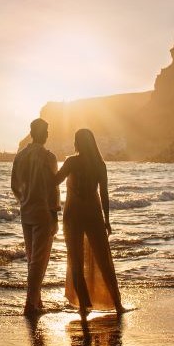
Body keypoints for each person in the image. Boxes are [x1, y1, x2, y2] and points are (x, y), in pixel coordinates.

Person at [55, 128, 124, 317]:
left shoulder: (71, 162)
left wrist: (41, 170)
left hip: (73, 214)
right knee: (104, 258)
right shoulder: (99, 164)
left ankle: (83, 306)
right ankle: (117, 304)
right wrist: (107, 220)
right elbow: (104, 194)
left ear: (77, 143)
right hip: (93, 213)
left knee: (75, 259)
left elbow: (54, 181)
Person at [11, 117, 59, 317]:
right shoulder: (48, 157)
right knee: (39, 260)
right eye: (46, 131)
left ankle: (36, 300)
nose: (47, 134)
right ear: (40, 133)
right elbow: (53, 187)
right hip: (43, 212)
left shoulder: (20, 156)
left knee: (32, 257)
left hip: (26, 211)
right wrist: (55, 213)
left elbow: (14, 185)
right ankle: (30, 304)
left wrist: (24, 199)